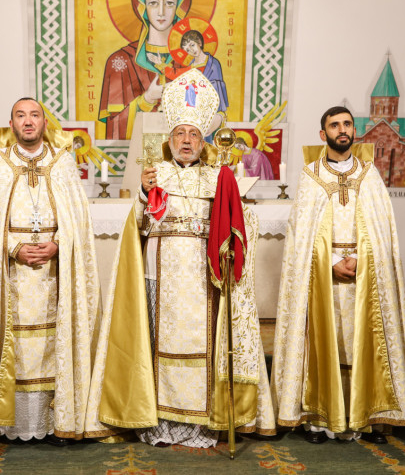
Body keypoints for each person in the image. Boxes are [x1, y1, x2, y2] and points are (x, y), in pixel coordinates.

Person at [85, 69, 275, 447]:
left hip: (204, 279)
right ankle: (158, 420)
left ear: (203, 141)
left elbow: (239, 223)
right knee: (157, 347)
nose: (186, 141)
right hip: (159, 279)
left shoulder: (218, 177)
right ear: (169, 140)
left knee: (204, 348)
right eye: (179, 134)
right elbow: (139, 226)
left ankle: (203, 421)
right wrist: (143, 194)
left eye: (193, 134)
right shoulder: (155, 175)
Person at [0, 97, 100, 450]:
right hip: (10, 276)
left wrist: (58, 244)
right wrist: (13, 247)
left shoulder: (63, 162)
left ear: (44, 123)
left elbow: (79, 221)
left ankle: (59, 422)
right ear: (11, 124)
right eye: (20, 115)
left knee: (53, 344)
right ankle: (8, 424)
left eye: (34, 115)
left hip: (55, 274)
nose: (28, 121)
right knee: (16, 346)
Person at [271, 106, 405, 444]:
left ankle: (369, 418)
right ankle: (319, 418)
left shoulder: (369, 175)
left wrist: (362, 258)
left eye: (347, 124)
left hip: (365, 276)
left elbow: (383, 231)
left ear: (354, 131)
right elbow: (300, 235)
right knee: (325, 342)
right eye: (334, 125)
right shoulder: (310, 176)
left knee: (363, 344)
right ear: (322, 134)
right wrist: (333, 260)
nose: (342, 130)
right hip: (323, 277)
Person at [99, 0, 191, 140]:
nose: (161, 11)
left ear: (179, 8)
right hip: (138, 153)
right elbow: (114, 126)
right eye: (153, 2)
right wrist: (147, 99)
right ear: (143, 8)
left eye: (169, 2)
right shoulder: (121, 60)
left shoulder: (191, 60)